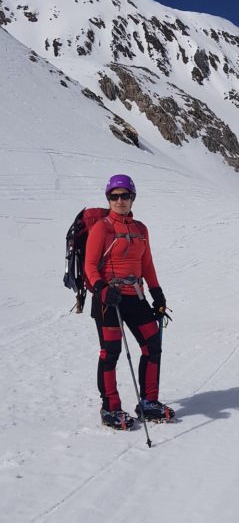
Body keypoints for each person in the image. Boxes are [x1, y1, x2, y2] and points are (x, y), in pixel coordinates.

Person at [84, 173, 174, 429]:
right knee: (110, 353)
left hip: (136, 298)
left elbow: (147, 263)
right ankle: (110, 408)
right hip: (108, 301)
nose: (120, 200)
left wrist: (157, 292)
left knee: (152, 346)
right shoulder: (102, 227)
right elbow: (91, 265)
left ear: (132, 198)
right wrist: (101, 288)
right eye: (114, 196)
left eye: (125, 196)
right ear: (108, 199)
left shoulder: (140, 229)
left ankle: (149, 402)